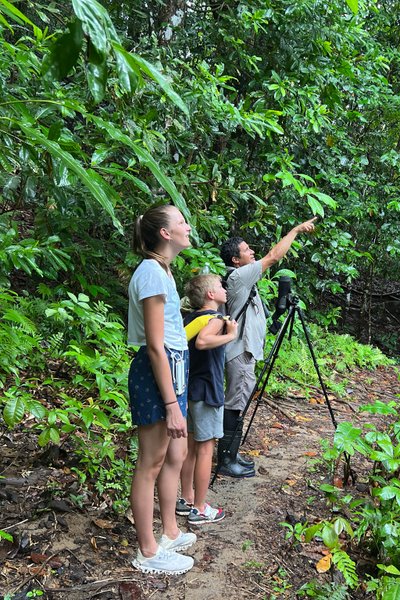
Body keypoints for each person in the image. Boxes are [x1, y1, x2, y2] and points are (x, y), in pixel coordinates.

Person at [218, 217, 317, 477]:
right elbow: (274, 256)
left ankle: (232, 453)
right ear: (235, 260)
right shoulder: (239, 276)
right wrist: (295, 229)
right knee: (236, 404)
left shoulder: (242, 277)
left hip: (243, 352)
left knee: (239, 402)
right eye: (246, 250)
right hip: (239, 353)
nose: (252, 252)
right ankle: (226, 460)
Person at [127, 204, 197, 575]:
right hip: (159, 373)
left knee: (175, 454)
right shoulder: (151, 273)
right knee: (150, 463)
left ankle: (168, 531)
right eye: (182, 222)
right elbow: (155, 345)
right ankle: (148, 551)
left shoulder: (162, 270)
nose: (188, 227)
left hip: (173, 369)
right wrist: (171, 403)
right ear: (166, 234)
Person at [176, 274, 238, 524]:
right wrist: (231, 336)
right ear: (210, 295)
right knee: (205, 449)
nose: (225, 289)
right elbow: (203, 342)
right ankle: (200, 508)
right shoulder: (215, 318)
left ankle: (187, 498)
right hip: (207, 391)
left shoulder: (191, 318)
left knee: (192, 447)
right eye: (220, 286)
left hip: (189, 390)